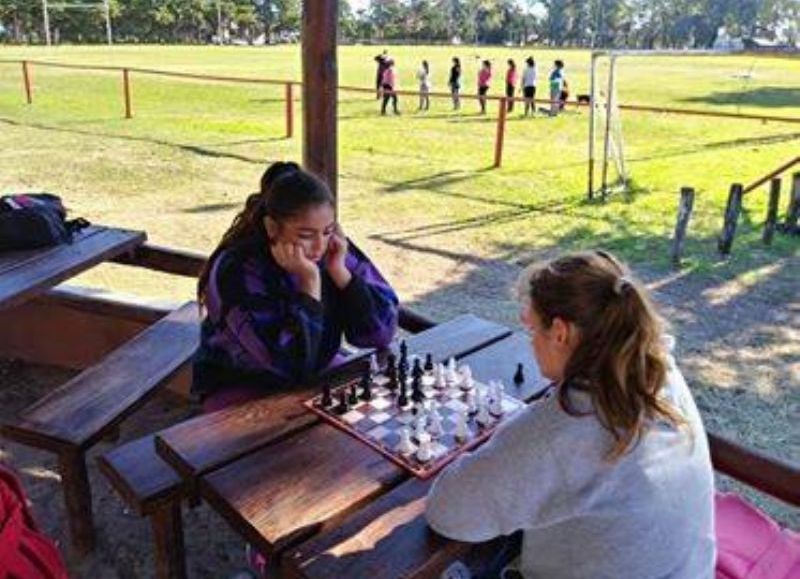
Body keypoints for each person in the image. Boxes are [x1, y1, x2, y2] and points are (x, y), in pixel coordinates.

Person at [426, 251, 716, 579]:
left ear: (561, 333)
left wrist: (516, 438)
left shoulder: (564, 427)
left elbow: (447, 511)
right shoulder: (659, 373)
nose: (531, 343)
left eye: (533, 330)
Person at [194, 162, 399, 413]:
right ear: (272, 227)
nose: (318, 246)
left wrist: (341, 274)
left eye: (327, 231)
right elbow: (289, 365)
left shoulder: (334, 250)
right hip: (241, 384)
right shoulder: (236, 270)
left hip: (316, 369)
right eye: (305, 235)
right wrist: (309, 284)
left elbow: (381, 335)